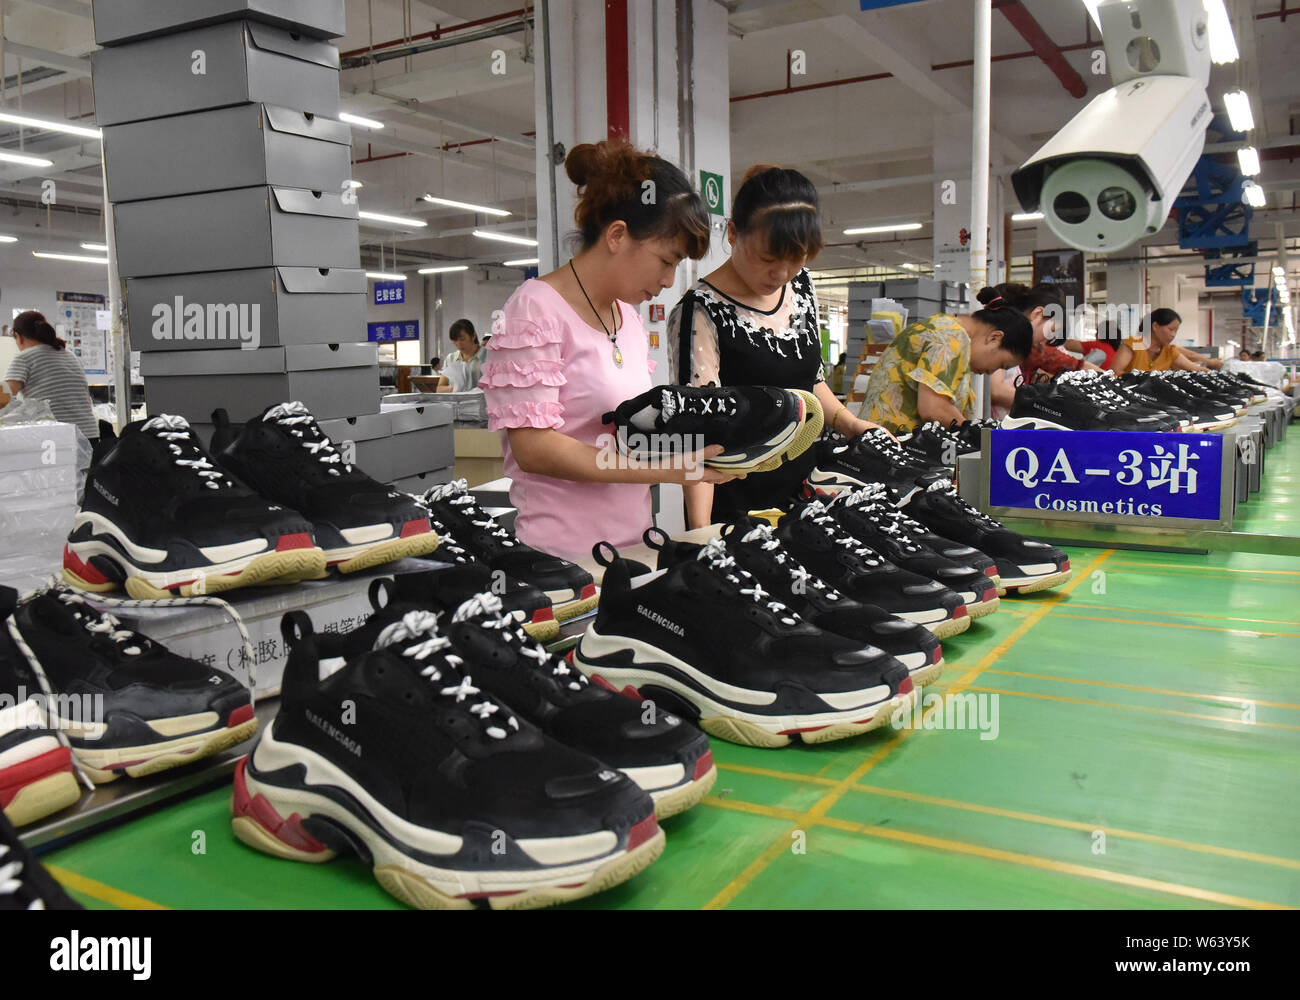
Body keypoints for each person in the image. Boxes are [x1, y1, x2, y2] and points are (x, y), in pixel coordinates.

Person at [482, 138, 729, 562]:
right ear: (617, 235)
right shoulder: (534, 310)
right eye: (666, 260)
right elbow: (535, 449)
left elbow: (622, 434)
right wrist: (667, 469)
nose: (669, 281)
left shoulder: (629, 320)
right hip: (563, 557)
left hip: (634, 547)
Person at [668, 165, 891, 527]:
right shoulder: (700, 312)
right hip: (739, 505)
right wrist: (701, 532)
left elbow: (812, 380)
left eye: (797, 259)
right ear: (733, 234)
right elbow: (699, 434)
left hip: (807, 493)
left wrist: (852, 425)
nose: (782, 274)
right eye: (769, 260)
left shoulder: (801, 287)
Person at [858, 288, 1033, 435]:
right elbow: (933, 408)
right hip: (893, 442)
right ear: (994, 338)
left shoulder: (946, 328)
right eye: (1001, 365)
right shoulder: (953, 338)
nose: (990, 372)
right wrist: (974, 436)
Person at [4, 310, 98, 441]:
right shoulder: (69, 354)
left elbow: (4, 397)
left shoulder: (25, 357)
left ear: (18, 336)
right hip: (89, 434)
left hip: (57, 438)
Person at [1112, 308, 1208, 374]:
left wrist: (1210, 372)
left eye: (1176, 331)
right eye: (1171, 329)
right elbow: (1115, 372)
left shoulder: (1169, 351)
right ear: (1155, 326)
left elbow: (1195, 369)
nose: (1173, 335)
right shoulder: (1134, 344)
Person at [439, 319, 483, 392]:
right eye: (454, 340)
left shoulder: (490, 356)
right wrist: (454, 388)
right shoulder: (451, 359)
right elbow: (439, 389)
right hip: (457, 402)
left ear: (473, 336)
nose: (458, 344)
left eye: (462, 339)